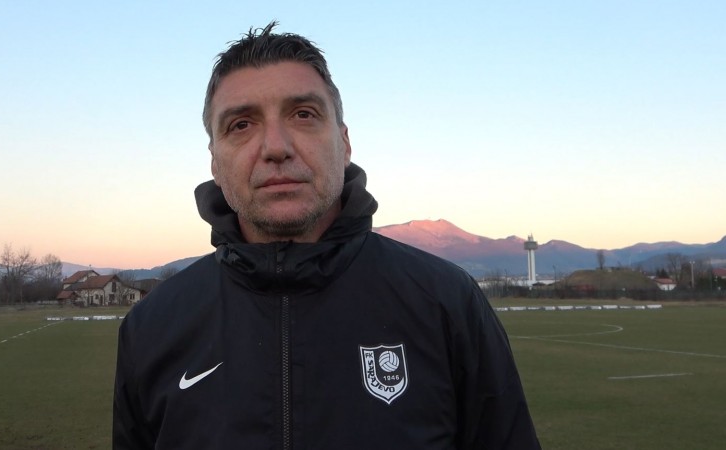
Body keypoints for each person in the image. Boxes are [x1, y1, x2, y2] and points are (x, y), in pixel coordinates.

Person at [113, 22, 541, 449]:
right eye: (241, 124)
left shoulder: (447, 302)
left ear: (344, 142)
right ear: (214, 161)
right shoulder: (151, 327)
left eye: (303, 114)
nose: (275, 147)